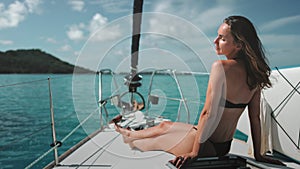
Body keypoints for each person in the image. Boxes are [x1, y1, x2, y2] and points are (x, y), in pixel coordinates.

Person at [115, 15, 284, 168]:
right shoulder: (255, 75)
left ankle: (128, 137)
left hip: (205, 146)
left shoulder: (221, 68)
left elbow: (207, 113)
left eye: (222, 38)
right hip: (222, 146)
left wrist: (195, 153)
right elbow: (255, 118)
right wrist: (258, 155)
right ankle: (129, 132)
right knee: (165, 125)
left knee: (153, 142)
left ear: (239, 45)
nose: (215, 41)